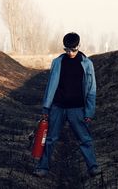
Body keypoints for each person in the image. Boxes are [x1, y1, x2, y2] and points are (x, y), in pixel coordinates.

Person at [33, 32, 101, 178]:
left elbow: (91, 90)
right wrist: (46, 108)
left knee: (85, 139)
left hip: (77, 109)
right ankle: (42, 167)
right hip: (58, 107)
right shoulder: (57, 62)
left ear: (78, 46)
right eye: (67, 50)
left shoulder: (87, 64)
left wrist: (89, 112)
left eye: (73, 49)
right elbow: (50, 86)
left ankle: (93, 167)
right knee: (50, 139)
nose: (70, 53)